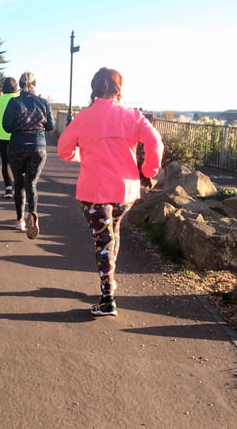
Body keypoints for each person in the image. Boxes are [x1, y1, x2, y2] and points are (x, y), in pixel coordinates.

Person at [57, 67, 163, 317]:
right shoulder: (133, 116)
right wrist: (148, 170)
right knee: (113, 232)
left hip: (94, 190)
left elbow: (63, 150)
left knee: (102, 240)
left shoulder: (83, 118)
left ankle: (107, 299)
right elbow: (156, 143)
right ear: (119, 89)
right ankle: (110, 281)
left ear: (94, 89)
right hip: (125, 190)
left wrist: (81, 154)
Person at [2, 72, 54, 237]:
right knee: (31, 183)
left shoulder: (14, 102)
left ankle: (20, 220)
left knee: (19, 183)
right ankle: (33, 213)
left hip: (17, 146)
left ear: (20, 84)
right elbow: (51, 126)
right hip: (38, 147)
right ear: (34, 85)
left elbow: (6, 126)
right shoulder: (43, 102)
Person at [0, 77, 20, 201]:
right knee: (17, 162)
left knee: (5, 162)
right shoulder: (19, 98)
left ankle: (8, 188)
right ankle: (19, 187)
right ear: (16, 87)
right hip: (17, 135)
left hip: (1, 135)